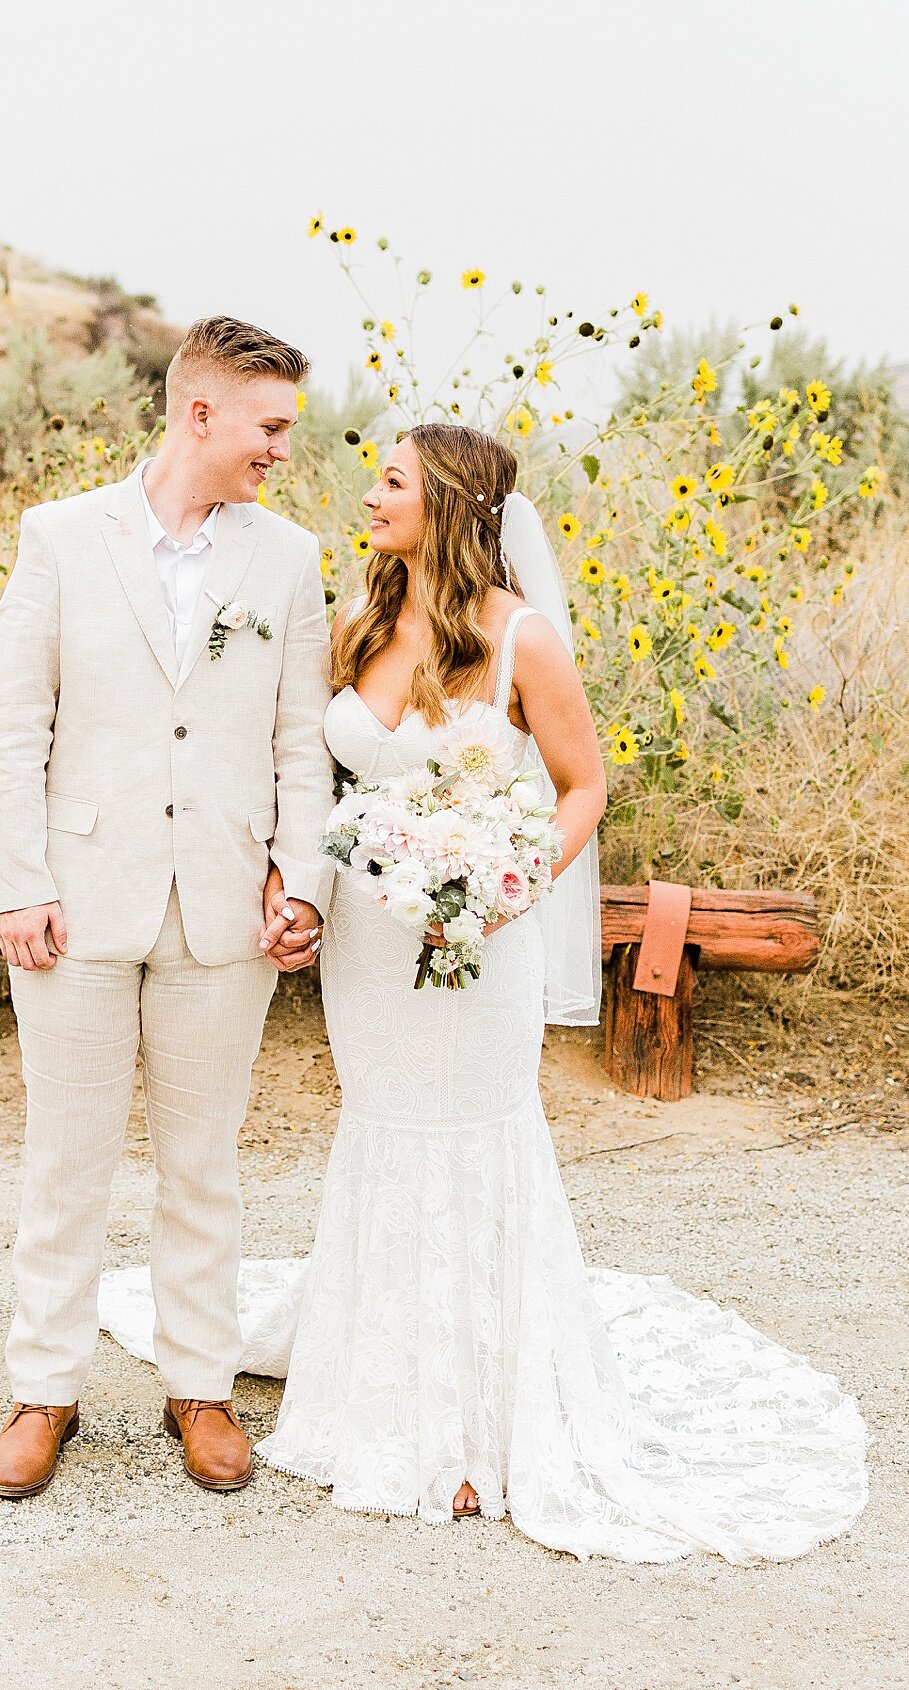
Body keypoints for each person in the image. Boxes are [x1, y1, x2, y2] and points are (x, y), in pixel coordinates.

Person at [103, 423, 868, 1563]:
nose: (370, 496)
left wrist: (508, 884)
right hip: (371, 937)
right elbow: (310, 766)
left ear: (451, 503)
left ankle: (472, 1424)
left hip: (476, 938)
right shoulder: (359, 623)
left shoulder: (523, 642)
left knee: (471, 1137)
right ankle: (380, 1387)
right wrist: (295, 884)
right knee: (386, 1128)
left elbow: (582, 786)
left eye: (394, 483)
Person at [0, 315, 334, 1501]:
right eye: (270, 426)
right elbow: (17, 727)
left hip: (225, 906)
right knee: (64, 1157)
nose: (283, 447)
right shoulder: (62, 537)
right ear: (201, 415)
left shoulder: (286, 558)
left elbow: (299, 738)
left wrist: (304, 879)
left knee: (204, 1161)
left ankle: (200, 1384)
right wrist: (20, 881)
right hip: (74, 901)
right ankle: (45, 1390)